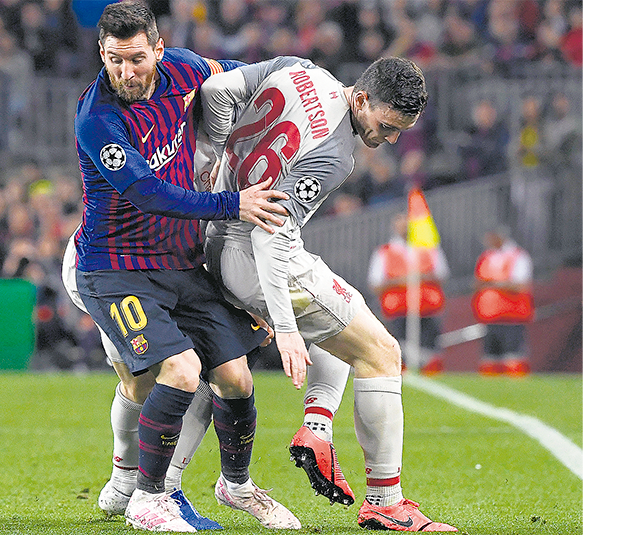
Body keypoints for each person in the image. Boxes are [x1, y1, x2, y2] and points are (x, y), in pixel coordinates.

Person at [199, 55, 457, 531]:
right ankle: (385, 499)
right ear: (360, 99)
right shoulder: (336, 152)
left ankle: (315, 428)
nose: (391, 139)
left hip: (214, 230)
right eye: (386, 125)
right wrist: (284, 327)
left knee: (338, 318)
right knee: (382, 351)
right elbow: (270, 235)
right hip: (255, 256)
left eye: (401, 131)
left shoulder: (298, 69)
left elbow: (216, 92)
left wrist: (210, 155)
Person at [71, 3, 298, 532]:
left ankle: (236, 486)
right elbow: (147, 194)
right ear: (101, 55)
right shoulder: (97, 118)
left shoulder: (186, 69)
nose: (125, 72)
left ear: (157, 48)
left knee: (237, 377)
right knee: (178, 370)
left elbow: (230, 81)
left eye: (134, 59)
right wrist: (232, 202)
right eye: (113, 60)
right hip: (116, 269)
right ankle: (148, 498)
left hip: (179, 263)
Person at [367, 213, 450, 374]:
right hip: (397, 309)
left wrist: (420, 278)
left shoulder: (428, 247)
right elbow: (375, 283)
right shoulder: (384, 252)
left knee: (429, 349)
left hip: (426, 308)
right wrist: (400, 281)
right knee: (399, 347)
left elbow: (442, 274)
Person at [472, 226, 534, 376]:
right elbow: (477, 283)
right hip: (489, 316)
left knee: (513, 358)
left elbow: (521, 285)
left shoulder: (518, 256)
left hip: (511, 316)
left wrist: (493, 283)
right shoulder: (486, 256)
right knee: (490, 359)